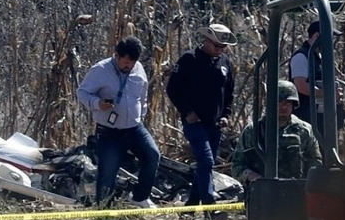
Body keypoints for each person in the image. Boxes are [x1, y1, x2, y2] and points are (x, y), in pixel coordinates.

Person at [75, 35, 161, 207]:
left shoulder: (139, 69)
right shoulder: (100, 69)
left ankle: (140, 197)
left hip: (135, 127)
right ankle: (104, 209)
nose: (129, 66)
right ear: (117, 55)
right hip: (109, 131)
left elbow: (143, 96)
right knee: (108, 172)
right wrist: (97, 104)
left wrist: (140, 116)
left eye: (133, 62)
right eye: (126, 61)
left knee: (152, 155)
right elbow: (82, 93)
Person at [166, 23, 236, 206]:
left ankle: (191, 205)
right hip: (194, 122)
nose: (220, 50)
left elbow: (229, 93)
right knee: (205, 160)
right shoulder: (189, 59)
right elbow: (172, 89)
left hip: (215, 123)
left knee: (206, 165)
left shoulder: (225, 63)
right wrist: (186, 111)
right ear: (206, 40)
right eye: (217, 45)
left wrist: (226, 115)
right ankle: (209, 204)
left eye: (223, 47)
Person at [233, 80, 322, 183]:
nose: (283, 107)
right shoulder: (253, 131)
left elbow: (315, 163)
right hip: (262, 192)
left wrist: (304, 183)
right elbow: (237, 167)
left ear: (294, 105)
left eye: (288, 102)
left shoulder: (304, 130)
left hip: (295, 190)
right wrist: (254, 177)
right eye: (279, 102)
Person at [289, 19, 345, 136]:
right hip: (307, 118)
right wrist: (329, 94)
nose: (330, 41)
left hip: (318, 118)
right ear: (316, 36)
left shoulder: (316, 56)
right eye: (328, 37)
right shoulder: (302, 56)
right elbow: (301, 86)